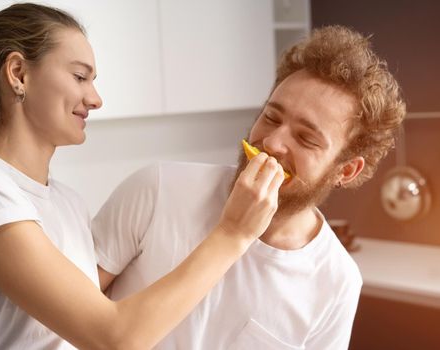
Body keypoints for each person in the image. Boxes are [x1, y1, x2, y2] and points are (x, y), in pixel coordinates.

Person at [0, 3, 285, 349]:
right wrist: (234, 233)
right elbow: (112, 337)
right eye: (80, 76)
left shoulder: (68, 203)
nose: (96, 99)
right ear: (18, 73)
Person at [93, 25, 406, 349]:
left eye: (305, 138)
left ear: (347, 170)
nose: (271, 142)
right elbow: (60, 327)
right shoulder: (157, 189)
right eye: (271, 117)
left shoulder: (337, 282)